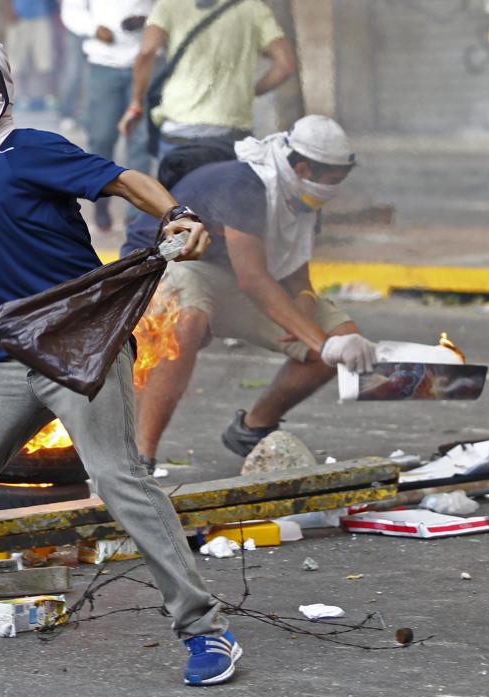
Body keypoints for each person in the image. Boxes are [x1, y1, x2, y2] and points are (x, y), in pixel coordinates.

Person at [0, 36, 243, 687]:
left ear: (5, 85)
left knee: (120, 480)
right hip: (8, 358)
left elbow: (121, 179)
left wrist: (177, 212)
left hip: (80, 342)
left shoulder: (28, 147)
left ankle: (206, 628)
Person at [121, 116, 377, 466]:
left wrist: (306, 313)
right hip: (162, 271)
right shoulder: (246, 185)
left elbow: (296, 274)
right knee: (188, 317)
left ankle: (252, 428)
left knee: (341, 335)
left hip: (225, 278)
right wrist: (324, 344)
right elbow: (253, 278)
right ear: (303, 167)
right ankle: (139, 457)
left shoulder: (303, 199)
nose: (336, 190)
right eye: (332, 181)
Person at [117, 0, 295, 158]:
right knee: (225, 194)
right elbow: (285, 65)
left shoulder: (169, 4)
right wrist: (250, 91)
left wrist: (136, 103)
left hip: (179, 127)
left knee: (176, 195)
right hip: (230, 129)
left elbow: (147, 52)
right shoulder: (253, 8)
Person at [61, 0, 154, 232]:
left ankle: (136, 215)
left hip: (145, 60)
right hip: (103, 62)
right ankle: (101, 201)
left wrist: (149, 20)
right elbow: (72, 10)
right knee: (101, 138)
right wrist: (94, 28)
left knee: (140, 143)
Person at [5, 0, 58, 111]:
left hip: (42, 16)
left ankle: (41, 97)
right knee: (16, 62)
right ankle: (17, 98)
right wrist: (9, 9)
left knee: (44, 61)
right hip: (18, 16)